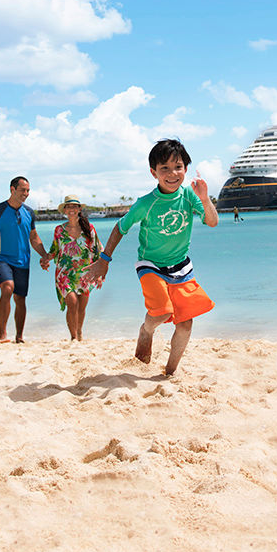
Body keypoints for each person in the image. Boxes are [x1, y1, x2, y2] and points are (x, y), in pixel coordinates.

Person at [83, 139, 218, 375]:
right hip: (151, 266)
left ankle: (169, 371)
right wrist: (104, 260)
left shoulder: (188, 195)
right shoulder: (146, 203)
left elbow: (212, 221)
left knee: (185, 324)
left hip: (181, 267)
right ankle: (146, 330)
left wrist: (205, 199)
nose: (172, 173)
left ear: (186, 169)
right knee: (163, 311)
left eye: (177, 167)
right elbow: (120, 228)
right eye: (164, 168)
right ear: (153, 172)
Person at [0, 176, 47, 343]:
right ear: (12, 189)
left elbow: (34, 237)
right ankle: (2, 334)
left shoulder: (29, 213)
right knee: (7, 288)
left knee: (20, 298)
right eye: (22, 190)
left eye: (28, 191)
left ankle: (19, 336)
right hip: (1, 259)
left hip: (23, 261)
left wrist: (45, 255)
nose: (26, 194)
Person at [40, 194, 102, 341]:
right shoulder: (59, 230)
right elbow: (54, 251)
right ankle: (73, 337)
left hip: (85, 273)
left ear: (79, 209)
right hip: (65, 273)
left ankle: (79, 331)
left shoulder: (89, 228)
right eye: (68, 206)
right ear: (65, 210)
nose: (71, 209)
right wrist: (45, 259)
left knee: (81, 307)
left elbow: (97, 251)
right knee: (72, 303)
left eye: (74, 206)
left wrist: (99, 274)